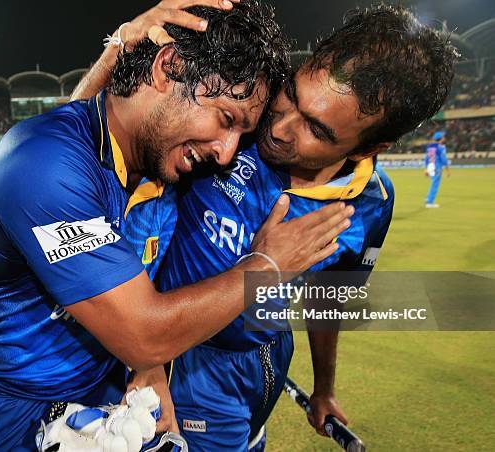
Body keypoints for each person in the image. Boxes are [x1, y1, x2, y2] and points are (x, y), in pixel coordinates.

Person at [0, 2, 353, 451]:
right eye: (226, 119)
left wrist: (149, 369)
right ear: (167, 66)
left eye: (240, 134)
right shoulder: (41, 161)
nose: (227, 152)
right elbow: (144, 333)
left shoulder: (164, 163)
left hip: (100, 394)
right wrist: (265, 265)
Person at [72, 3, 457, 451]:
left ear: (372, 146)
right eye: (291, 94)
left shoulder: (372, 204)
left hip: (265, 358)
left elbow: (324, 300)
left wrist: (325, 387)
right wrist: (120, 44)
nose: (279, 127)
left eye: (316, 128)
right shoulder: (237, 117)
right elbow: (82, 155)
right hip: (183, 359)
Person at [424, 130, 451, 208]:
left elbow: (427, 157)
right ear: (441, 138)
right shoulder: (441, 147)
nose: (444, 138)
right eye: (443, 137)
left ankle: (428, 198)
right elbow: (444, 159)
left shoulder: (430, 146)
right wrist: (448, 169)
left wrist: (425, 168)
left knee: (433, 182)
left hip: (430, 166)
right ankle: (430, 202)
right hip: (437, 166)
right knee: (435, 184)